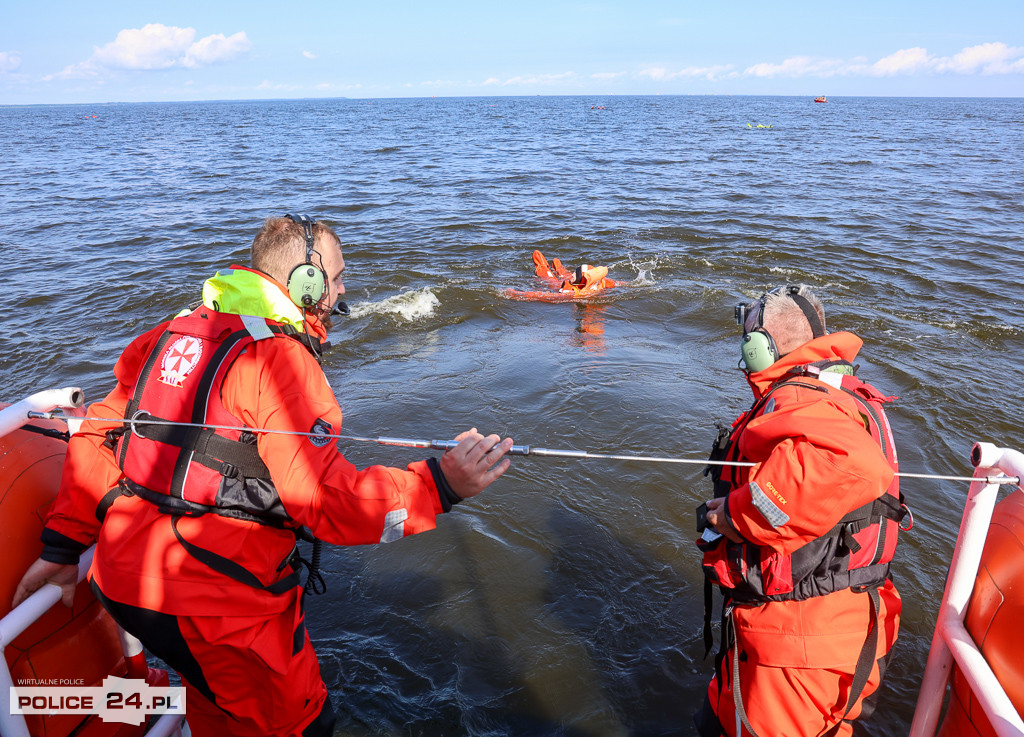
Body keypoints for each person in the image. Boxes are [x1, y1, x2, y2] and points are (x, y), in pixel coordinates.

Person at [12, 215, 514, 737]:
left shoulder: (168, 334)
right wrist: (441, 486)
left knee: (217, 701)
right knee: (299, 723)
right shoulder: (280, 360)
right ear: (306, 284)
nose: (344, 291)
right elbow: (321, 504)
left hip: (124, 583)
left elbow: (97, 433)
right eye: (338, 278)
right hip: (215, 605)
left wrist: (62, 548)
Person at [695, 285, 904, 737]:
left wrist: (735, 514)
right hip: (822, 628)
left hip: (796, 645)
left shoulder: (802, 398)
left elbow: (851, 465)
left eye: (748, 338)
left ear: (762, 346)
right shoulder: (836, 392)